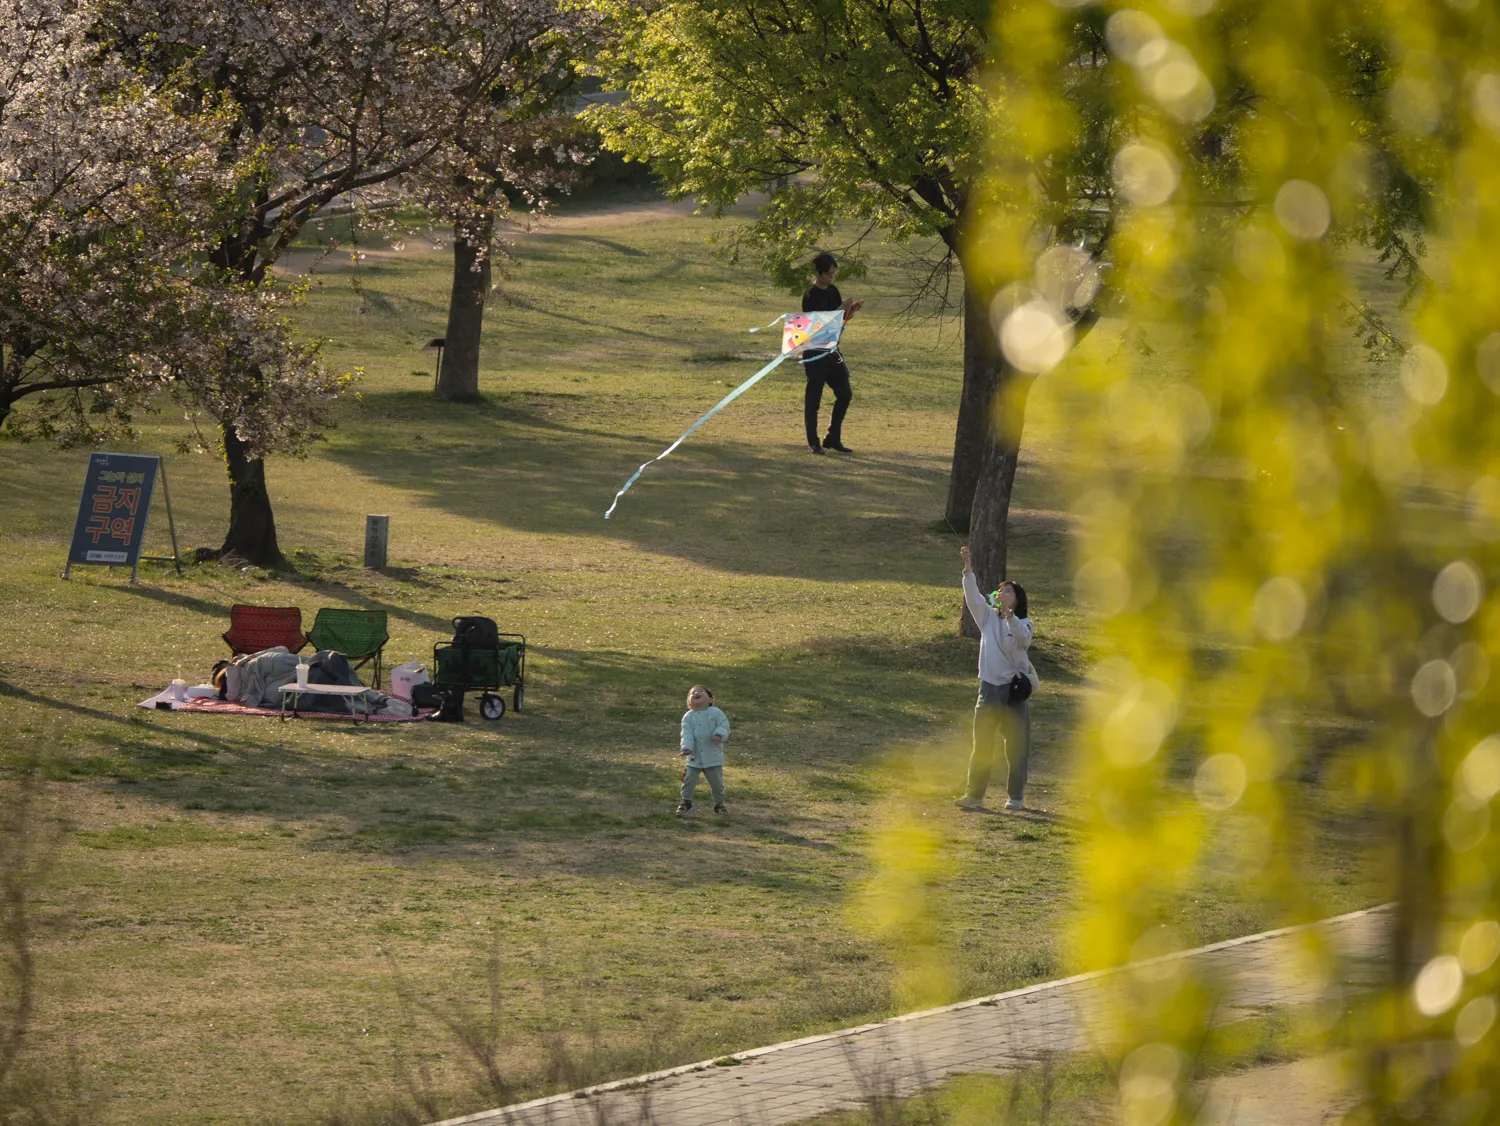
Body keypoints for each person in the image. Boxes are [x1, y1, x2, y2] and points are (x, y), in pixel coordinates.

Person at [953, 545, 1039, 812]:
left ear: (1017, 600)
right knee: (982, 745)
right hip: (989, 689)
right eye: (1000, 590)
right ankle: (974, 796)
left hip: (1013, 692)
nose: (1002, 593)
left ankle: (1016, 797)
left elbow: (1023, 640)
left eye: (1008, 591)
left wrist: (1010, 617)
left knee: (1016, 747)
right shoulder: (987, 618)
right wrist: (968, 568)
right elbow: (973, 597)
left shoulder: (1025, 623)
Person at [801, 252, 864, 455]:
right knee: (814, 399)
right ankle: (813, 442)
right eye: (828, 273)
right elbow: (819, 326)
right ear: (819, 273)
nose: (831, 277)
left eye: (833, 273)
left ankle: (833, 438)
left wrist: (850, 311)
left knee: (844, 394)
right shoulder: (809, 295)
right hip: (815, 353)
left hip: (832, 351)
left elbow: (839, 321)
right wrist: (840, 308)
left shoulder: (833, 290)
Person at [677, 684, 731, 816]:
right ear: (689, 702)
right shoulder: (688, 717)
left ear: (710, 699)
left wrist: (719, 734)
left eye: (700, 691)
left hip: (713, 756)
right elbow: (686, 733)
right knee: (688, 780)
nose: (696, 693)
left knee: (717, 783)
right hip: (694, 757)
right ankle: (685, 802)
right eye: (692, 693)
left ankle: (719, 804)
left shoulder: (716, 712)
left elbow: (724, 725)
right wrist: (687, 747)